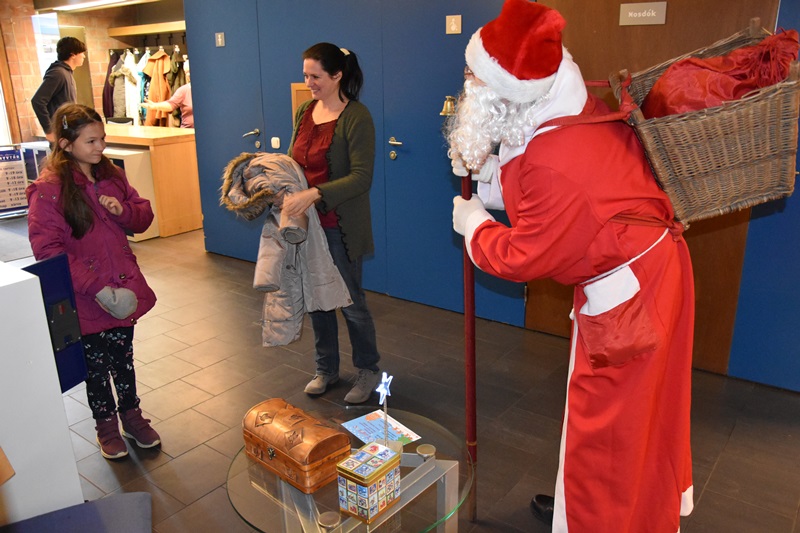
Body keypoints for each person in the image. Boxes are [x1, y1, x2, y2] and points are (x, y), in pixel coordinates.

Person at [446, 1, 695, 532]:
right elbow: (552, 195)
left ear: (505, 89)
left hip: (633, 299)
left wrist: (474, 224)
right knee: (630, 422)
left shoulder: (554, 158)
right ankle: (584, 506)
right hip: (640, 276)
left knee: (608, 432)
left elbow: (525, 252)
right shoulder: (563, 109)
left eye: (474, 76)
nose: (467, 83)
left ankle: (597, 520)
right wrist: (489, 174)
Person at [26, 103, 160, 460]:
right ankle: (106, 426)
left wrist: (123, 211)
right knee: (95, 368)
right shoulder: (48, 190)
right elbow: (48, 251)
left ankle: (132, 416)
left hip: (122, 289)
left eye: (102, 138)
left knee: (124, 359)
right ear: (66, 144)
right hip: (86, 297)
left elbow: (143, 215)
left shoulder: (111, 174)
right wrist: (97, 288)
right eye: (91, 141)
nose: (100, 147)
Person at [281, 42, 382, 404]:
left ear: (337, 75)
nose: (308, 82)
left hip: (340, 226)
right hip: (307, 225)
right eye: (305, 75)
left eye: (316, 76)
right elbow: (295, 162)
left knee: (351, 303)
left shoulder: (357, 116)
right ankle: (326, 369)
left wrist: (315, 193)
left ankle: (368, 370)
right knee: (317, 300)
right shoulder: (305, 111)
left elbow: (361, 177)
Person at [31, 37, 87, 144]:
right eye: (82, 53)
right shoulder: (58, 73)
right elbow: (37, 101)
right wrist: (49, 130)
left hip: (69, 130)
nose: (84, 56)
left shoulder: (67, 73)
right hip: (60, 133)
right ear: (73, 54)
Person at [141, 61, 193, 128]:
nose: (188, 74)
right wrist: (155, 106)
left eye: (190, 71)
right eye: (186, 72)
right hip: (188, 131)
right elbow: (171, 104)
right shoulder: (183, 90)